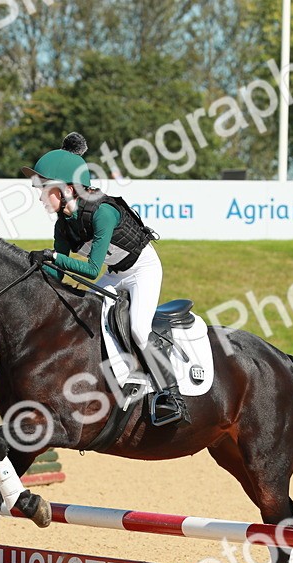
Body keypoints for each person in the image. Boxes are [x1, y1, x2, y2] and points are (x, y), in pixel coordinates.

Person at [22, 132, 189, 426]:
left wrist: (52, 257)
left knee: (138, 328)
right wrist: (32, 275)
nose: (39, 196)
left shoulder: (103, 213)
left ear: (66, 189)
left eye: (44, 188)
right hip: (115, 274)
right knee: (84, 317)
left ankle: (171, 395)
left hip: (142, 270)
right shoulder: (64, 224)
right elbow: (58, 273)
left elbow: (89, 270)